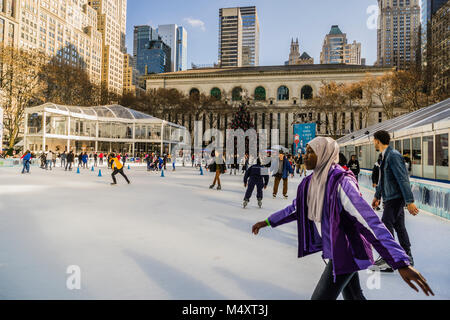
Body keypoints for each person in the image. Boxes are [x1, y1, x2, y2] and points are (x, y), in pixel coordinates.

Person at [252, 137, 434, 300]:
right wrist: (268, 221)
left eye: (310, 152)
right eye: (306, 151)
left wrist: (400, 261)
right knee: (354, 296)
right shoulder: (312, 182)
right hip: (336, 248)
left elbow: (369, 221)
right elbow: (296, 208)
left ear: (324, 154)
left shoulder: (342, 182)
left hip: (347, 251)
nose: (305, 156)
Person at [371, 130, 418, 272]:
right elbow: (383, 179)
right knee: (399, 227)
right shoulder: (385, 156)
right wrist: (377, 196)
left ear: (378, 140)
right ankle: (406, 257)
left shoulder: (393, 156)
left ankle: (389, 258)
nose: (373, 142)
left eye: (373, 140)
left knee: (385, 226)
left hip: (395, 198)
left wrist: (409, 201)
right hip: (391, 197)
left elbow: (403, 179)